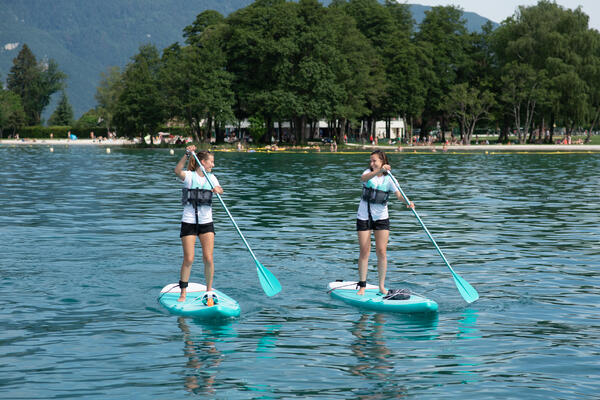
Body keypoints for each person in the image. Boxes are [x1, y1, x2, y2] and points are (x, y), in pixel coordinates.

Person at [356, 150, 414, 296]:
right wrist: (378, 170)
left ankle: (381, 286)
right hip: (364, 216)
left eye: (374, 161)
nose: (371, 163)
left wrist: (407, 202)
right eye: (371, 161)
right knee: (365, 251)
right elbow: (364, 178)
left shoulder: (390, 179)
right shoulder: (368, 173)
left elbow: (399, 194)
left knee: (381, 251)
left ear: (382, 161)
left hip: (381, 217)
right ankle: (362, 285)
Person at [174, 145, 224, 304]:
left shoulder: (212, 178)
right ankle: (183, 292)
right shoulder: (189, 176)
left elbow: (220, 189)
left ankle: (209, 290)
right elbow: (177, 171)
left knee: (208, 258)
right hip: (189, 222)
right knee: (189, 258)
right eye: (211, 162)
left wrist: (217, 189)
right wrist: (186, 155)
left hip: (206, 222)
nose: (213, 165)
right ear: (202, 162)